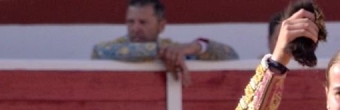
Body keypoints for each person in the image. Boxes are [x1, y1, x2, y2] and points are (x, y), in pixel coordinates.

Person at [91, 0, 239, 86]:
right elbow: (98, 52)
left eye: (143, 22)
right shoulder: (112, 48)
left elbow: (231, 55)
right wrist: (161, 52)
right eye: (131, 22)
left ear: (161, 26)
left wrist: (195, 47)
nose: (135, 28)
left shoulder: (174, 49)